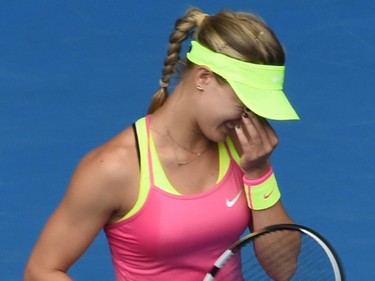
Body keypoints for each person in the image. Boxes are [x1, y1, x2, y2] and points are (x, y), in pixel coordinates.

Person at [24, 6, 300, 281]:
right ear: (204, 78)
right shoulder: (115, 168)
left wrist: (259, 173)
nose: (250, 118)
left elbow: (284, 268)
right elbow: (40, 271)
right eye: (245, 102)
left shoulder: (244, 149)